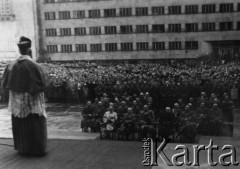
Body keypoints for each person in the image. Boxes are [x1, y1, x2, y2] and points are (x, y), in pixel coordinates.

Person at [1, 36, 47, 156]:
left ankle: (23, 148)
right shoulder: (35, 66)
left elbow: (5, 85)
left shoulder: (11, 66)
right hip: (33, 103)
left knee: (20, 124)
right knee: (34, 123)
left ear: (20, 49)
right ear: (29, 49)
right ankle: (36, 149)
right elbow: (43, 85)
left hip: (17, 104)